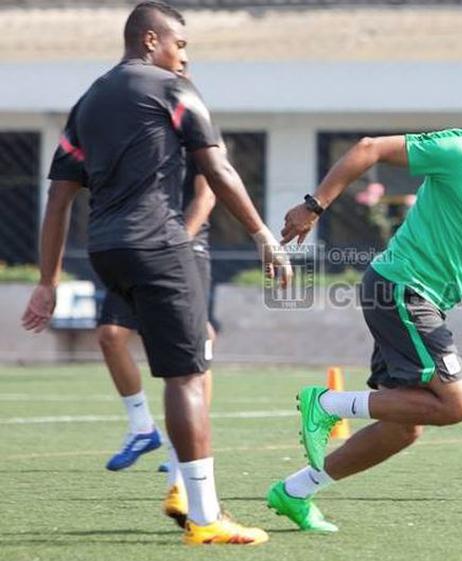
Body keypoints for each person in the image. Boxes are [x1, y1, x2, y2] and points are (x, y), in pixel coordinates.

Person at [265, 75, 462, 532]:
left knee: (404, 426)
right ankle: (327, 404)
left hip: (424, 300)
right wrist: (314, 206)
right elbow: (368, 148)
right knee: (456, 405)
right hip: (401, 287)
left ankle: (295, 491)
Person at [20, 1, 290, 545]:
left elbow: (59, 199)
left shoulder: (87, 102)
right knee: (188, 376)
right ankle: (204, 513)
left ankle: (182, 487)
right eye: (179, 44)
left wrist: (47, 281)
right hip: (162, 247)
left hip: (106, 251)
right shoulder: (172, 90)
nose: (183, 56)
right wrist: (264, 237)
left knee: (167, 360)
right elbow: (218, 168)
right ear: (150, 40)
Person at [98, 144, 222, 530]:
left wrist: (177, 244)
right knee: (110, 335)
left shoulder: (197, 131)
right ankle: (142, 427)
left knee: (196, 348)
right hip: (137, 248)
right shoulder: (135, 136)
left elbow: (208, 193)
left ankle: (181, 472)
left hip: (184, 249)